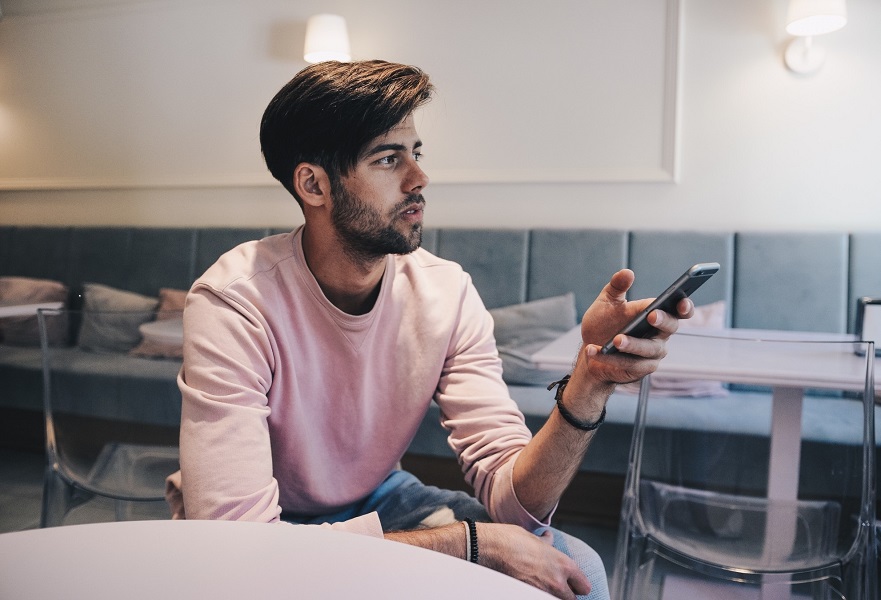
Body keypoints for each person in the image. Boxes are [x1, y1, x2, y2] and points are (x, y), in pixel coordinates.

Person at [165, 59, 692, 600]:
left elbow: (517, 506)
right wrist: (469, 544)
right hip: (262, 524)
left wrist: (591, 379)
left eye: (416, 154)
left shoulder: (446, 291)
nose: (419, 179)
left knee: (576, 570)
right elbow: (241, 547)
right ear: (313, 184)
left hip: (379, 498)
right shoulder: (234, 301)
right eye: (388, 159)